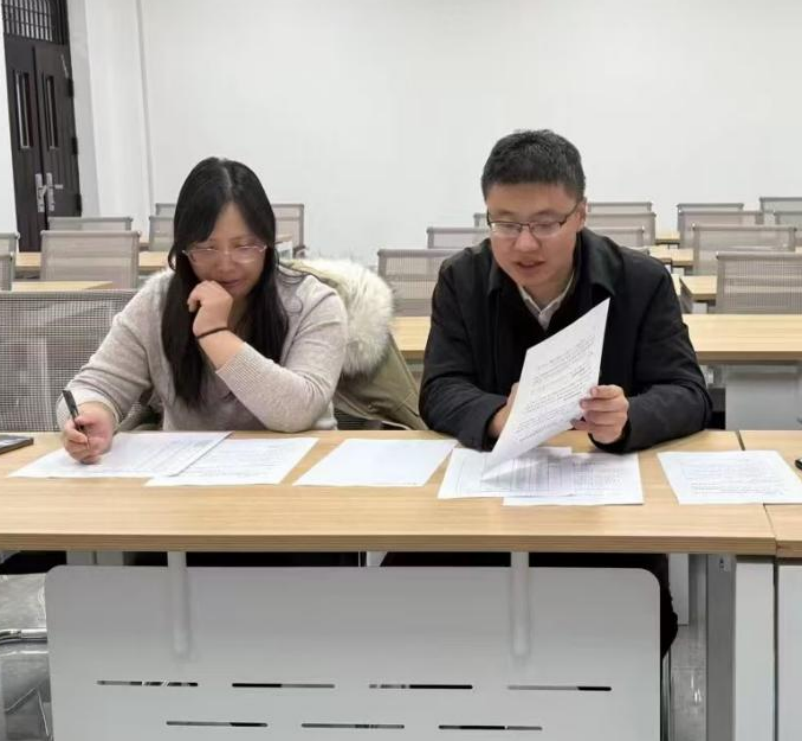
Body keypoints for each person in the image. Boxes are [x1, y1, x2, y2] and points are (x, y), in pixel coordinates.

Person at [410, 129, 714, 654]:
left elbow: (689, 393)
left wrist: (628, 418)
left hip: (602, 521)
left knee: (627, 622)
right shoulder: (462, 278)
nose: (524, 244)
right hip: (483, 514)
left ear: (580, 214)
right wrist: (498, 416)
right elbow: (438, 388)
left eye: (546, 223)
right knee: (405, 603)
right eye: (506, 224)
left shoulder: (640, 281)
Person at [58, 157, 348, 461]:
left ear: (267, 244)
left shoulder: (313, 303)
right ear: (184, 250)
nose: (225, 264)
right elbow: (92, 386)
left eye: (245, 246)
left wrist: (215, 334)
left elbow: (299, 411)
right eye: (206, 248)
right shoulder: (157, 302)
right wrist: (94, 412)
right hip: (186, 475)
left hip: (303, 472)